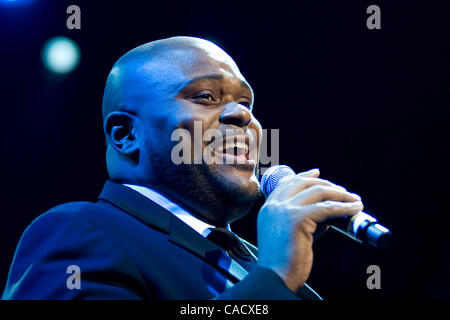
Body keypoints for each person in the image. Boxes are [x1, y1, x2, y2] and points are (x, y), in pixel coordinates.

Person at [1, 36, 363, 299]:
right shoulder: (77, 232)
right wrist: (276, 275)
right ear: (126, 134)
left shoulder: (255, 260)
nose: (243, 115)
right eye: (205, 96)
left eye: (245, 101)